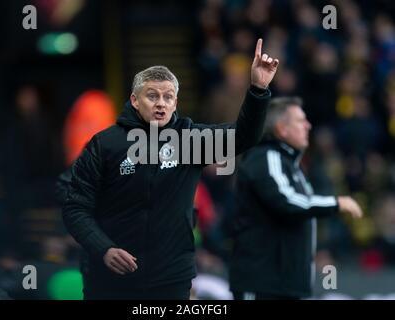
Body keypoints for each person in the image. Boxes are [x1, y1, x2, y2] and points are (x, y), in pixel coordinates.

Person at [61, 39, 279, 299]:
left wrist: (257, 89)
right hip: (109, 279)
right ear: (134, 100)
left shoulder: (191, 140)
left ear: (176, 103)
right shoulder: (105, 144)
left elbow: (244, 136)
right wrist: (104, 248)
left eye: (168, 97)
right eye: (152, 95)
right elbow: (75, 207)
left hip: (171, 278)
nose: (160, 103)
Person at [229, 97, 363, 300]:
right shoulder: (266, 156)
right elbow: (287, 201)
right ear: (282, 129)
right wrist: (336, 203)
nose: (308, 126)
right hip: (263, 286)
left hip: (285, 286)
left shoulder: (290, 165)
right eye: (301, 121)